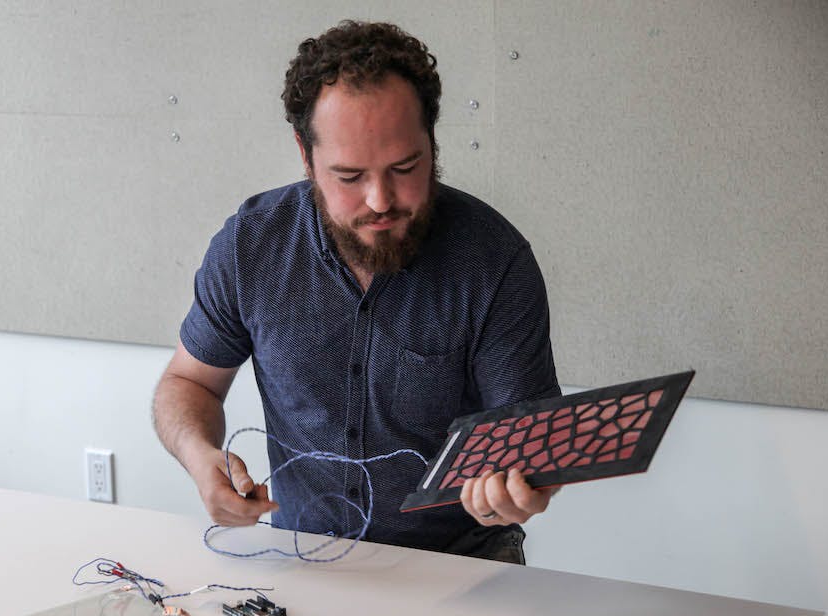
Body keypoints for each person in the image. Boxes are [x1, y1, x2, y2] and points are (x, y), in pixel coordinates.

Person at [153, 20, 561, 564]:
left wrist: (517, 489)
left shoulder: (493, 260)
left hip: (462, 561)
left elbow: (532, 444)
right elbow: (188, 383)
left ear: (431, 141)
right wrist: (198, 454)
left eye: (405, 167)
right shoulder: (250, 246)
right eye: (349, 176)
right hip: (302, 555)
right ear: (305, 154)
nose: (379, 199)